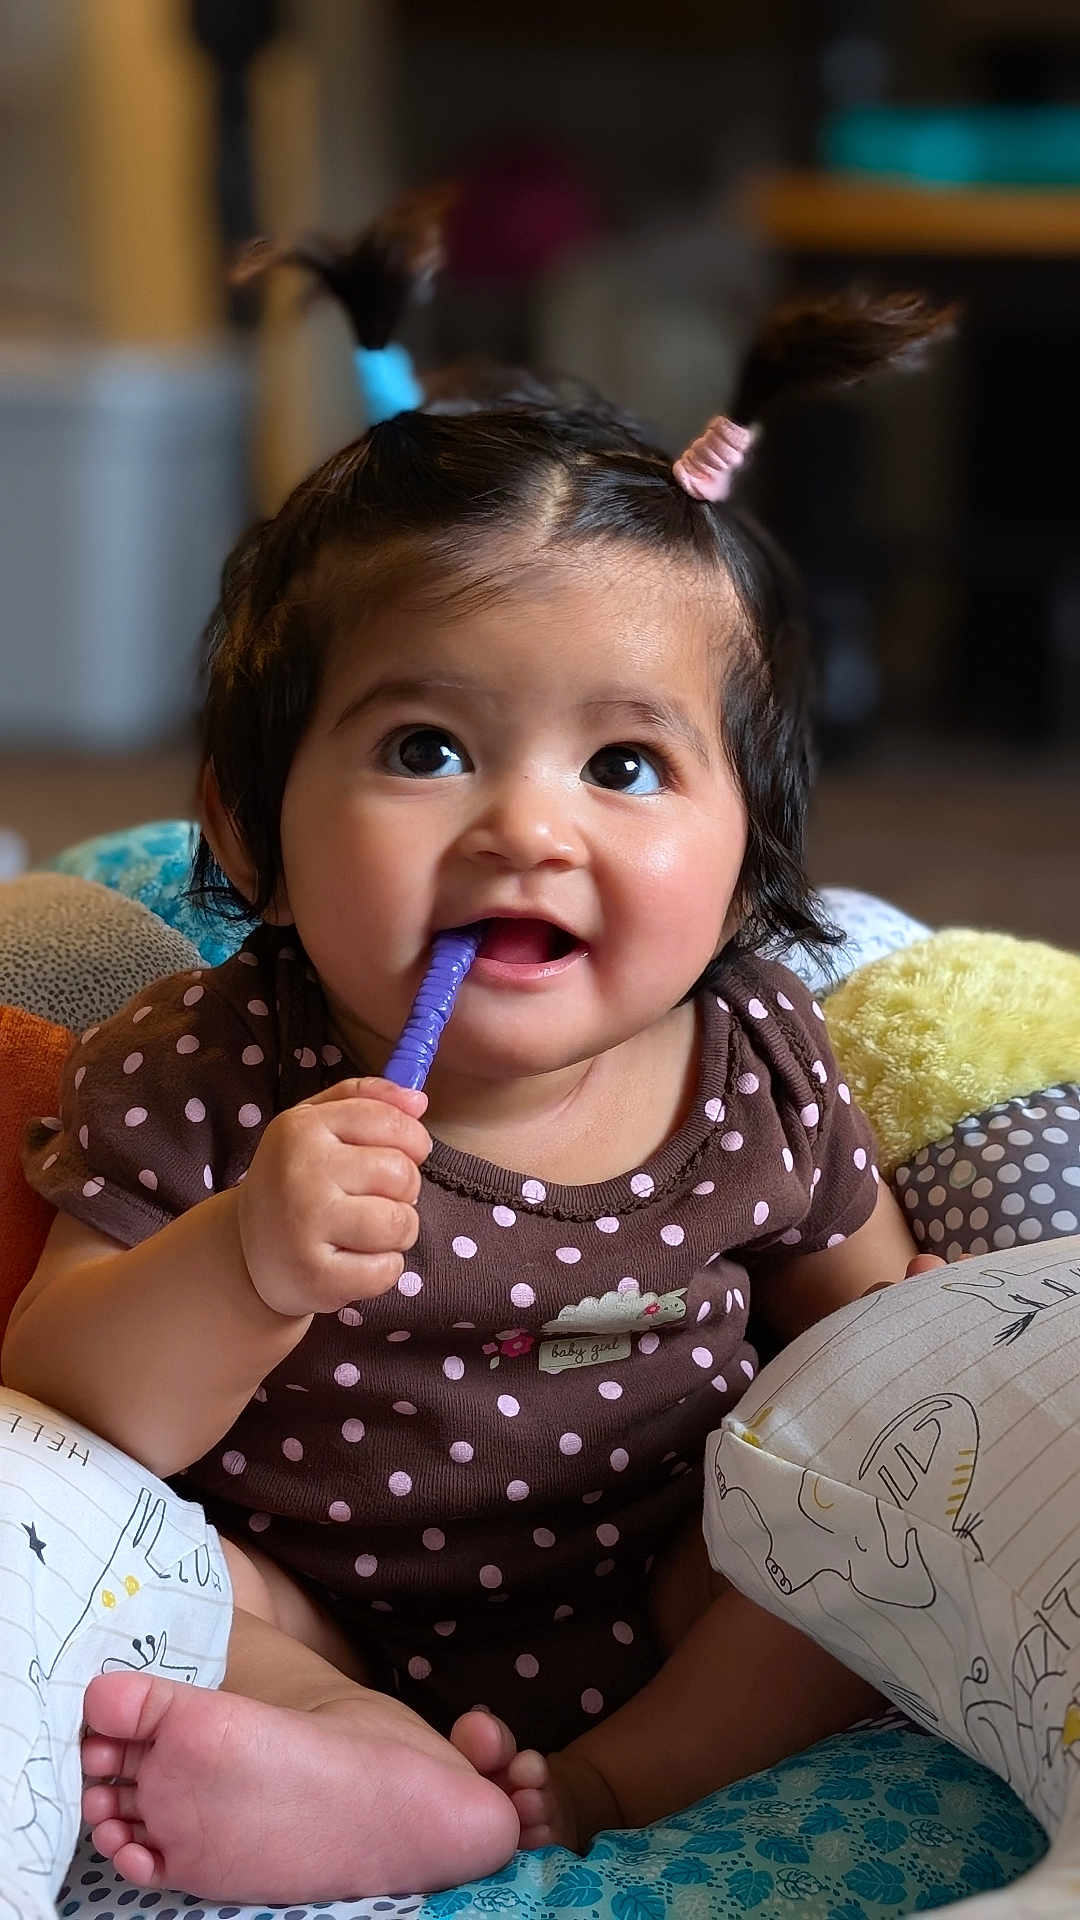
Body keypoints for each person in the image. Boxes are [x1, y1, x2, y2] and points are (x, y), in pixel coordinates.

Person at [6, 204, 951, 1904]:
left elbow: (888, 1363)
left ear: (751, 851)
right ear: (249, 824)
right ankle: (356, 1760)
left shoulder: (756, 1062)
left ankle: (584, 1795)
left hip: (673, 1591)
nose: (529, 826)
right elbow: (73, 1413)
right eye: (427, 745)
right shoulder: (215, 1063)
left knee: (861, 1544)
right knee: (121, 1563)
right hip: (305, 1601)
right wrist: (246, 1258)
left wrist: (887, 1493)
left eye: (628, 767)